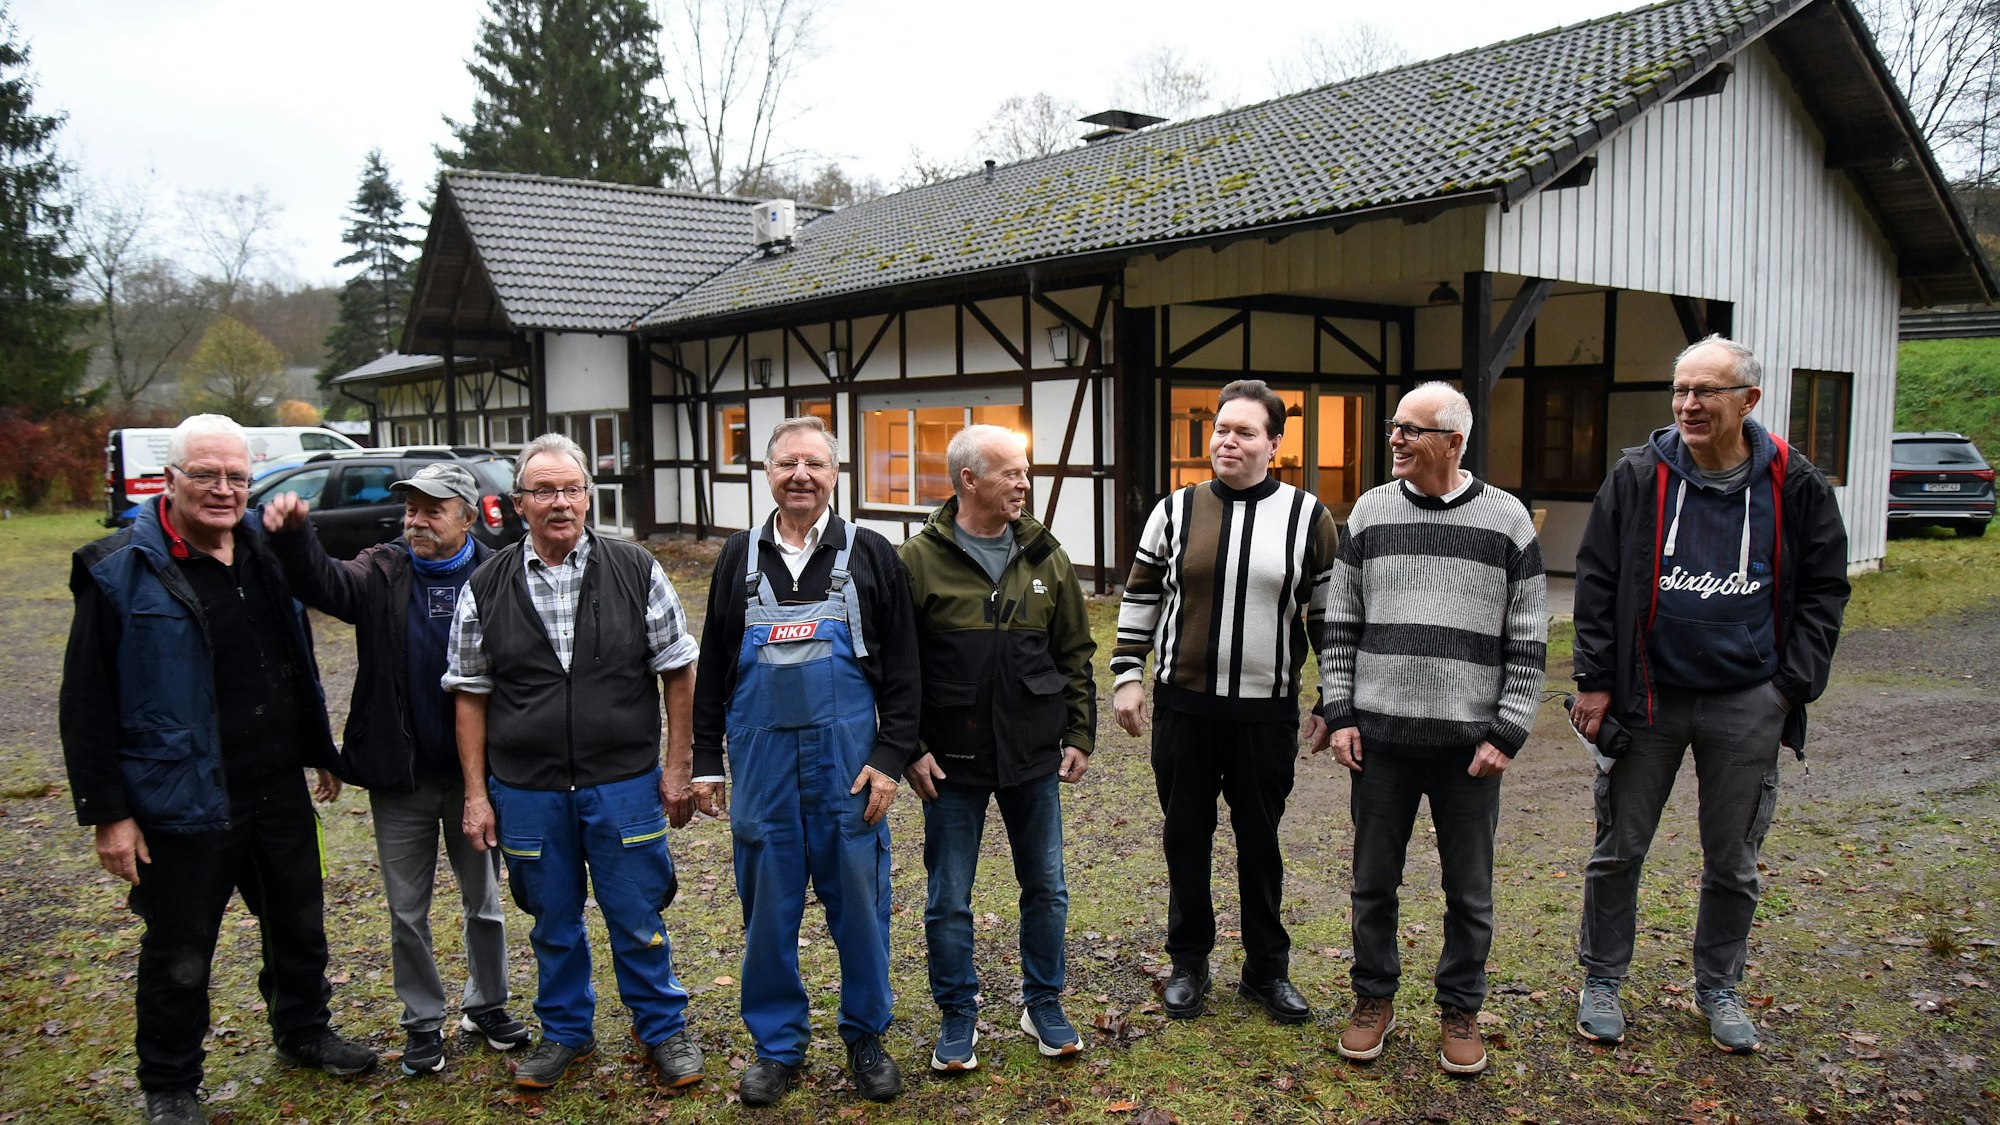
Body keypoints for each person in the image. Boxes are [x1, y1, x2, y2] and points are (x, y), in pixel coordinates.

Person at [59, 414, 377, 1125]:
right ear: (169, 480)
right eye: (205, 474)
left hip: (275, 784)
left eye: (236, 476)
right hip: (181, 795)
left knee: (298, 924)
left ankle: (303, 1030)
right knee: (181, 947)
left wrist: (316, 750)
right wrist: (109, 814)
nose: (223, 489)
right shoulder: (118, 569)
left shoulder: (264, 550)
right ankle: (170, 1082)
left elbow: (292, 653)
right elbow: (86, 701)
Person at [1570, 335, 1849, 1055]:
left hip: (1747, 700)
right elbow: (1596, 580)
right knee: (1619, 848)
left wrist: (1787, 689)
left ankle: (1719, 985)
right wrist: (1595, 682)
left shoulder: (1794, 482)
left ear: (1748, 400)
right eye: (1681, 389)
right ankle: (1602, 979)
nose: (1688, 404)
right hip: (1648, 698)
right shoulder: (1638, 476)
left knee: (1733, 859)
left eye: (1706, 391)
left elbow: (1824, 591)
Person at [443, 434, 704, 1091]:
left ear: (588, 497)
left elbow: (678, 668)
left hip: (623, 783)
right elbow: (470, 693)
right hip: (527, 789)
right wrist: (476, 794)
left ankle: (662, 1028)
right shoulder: (486, 585)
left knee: (637, 915)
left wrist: (677, 766)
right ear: (519, 504)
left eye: (571, 489)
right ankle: (565, 1032)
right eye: (544, 491)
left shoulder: (635, 568)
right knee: (552, 922)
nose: (560, 502)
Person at [263, 462, 528, 1076]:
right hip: (401, 774)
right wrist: (295, 538)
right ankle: (422, 1023)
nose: (417, 521)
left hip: (476, 778)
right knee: (407, 911)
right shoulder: (381, 570)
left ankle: (487, 1005)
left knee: (485, 901)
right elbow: (325, 583)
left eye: (432, 510)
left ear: (467, 516)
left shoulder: (499, 573)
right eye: (411, 509)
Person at [690, 416, 921, 1106]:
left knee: (861, 910)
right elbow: (714, 668)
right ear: (767, 472)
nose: (801, 476)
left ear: (834, 474)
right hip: (762, 771)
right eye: (788, 463)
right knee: (767, 914)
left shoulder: (871, 553)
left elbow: (904, 669)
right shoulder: (738, 556)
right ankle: (777, 1046)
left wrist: (890, 757)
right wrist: (706, 759)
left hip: (847, 772)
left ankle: (866, 1036)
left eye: (814, 464)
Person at [1322, 382, 1548, 1076]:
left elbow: (1528, 632)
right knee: (1372, 883)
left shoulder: (1507, 519)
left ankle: (1460, 1007)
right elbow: (1341, 621)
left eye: (1410, 429)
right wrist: (1341, 713)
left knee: (1469, 891)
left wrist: (1508, 729)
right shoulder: (1370, 510)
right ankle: (1373, 998)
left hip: (1468, 750)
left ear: (1453, 442)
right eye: (1394, 426)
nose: (1394, 438)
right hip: (1381, 742)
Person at [1111, 379, 1340, 1026]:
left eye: (1244, 431)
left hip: (1265, 713)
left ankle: (1266, 970)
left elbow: (1327, 616)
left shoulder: (1308, 517)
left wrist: (1334, 697)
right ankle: (1189, 963)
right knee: (1185, 837)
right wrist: (1127, 674)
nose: (1227, 441)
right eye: (1221, 429)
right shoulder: (1174, 510)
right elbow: (1140, 597)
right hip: (1184, 708)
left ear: (1274, 443)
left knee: (1261, 842)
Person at [899, 425, 1097, 1072]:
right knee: (947, 897)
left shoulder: (1045, 555)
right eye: (1011, 473)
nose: (1023, 484)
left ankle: (1044, 1003)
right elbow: (898, 668)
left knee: (1046, 886)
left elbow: (1074, 652)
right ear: (969, 480)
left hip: (1032, 754)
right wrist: (911, 748)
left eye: (1025, 472)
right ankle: (958, 1012)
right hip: (950, 762)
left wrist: (1079, 732)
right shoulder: (917, 561)